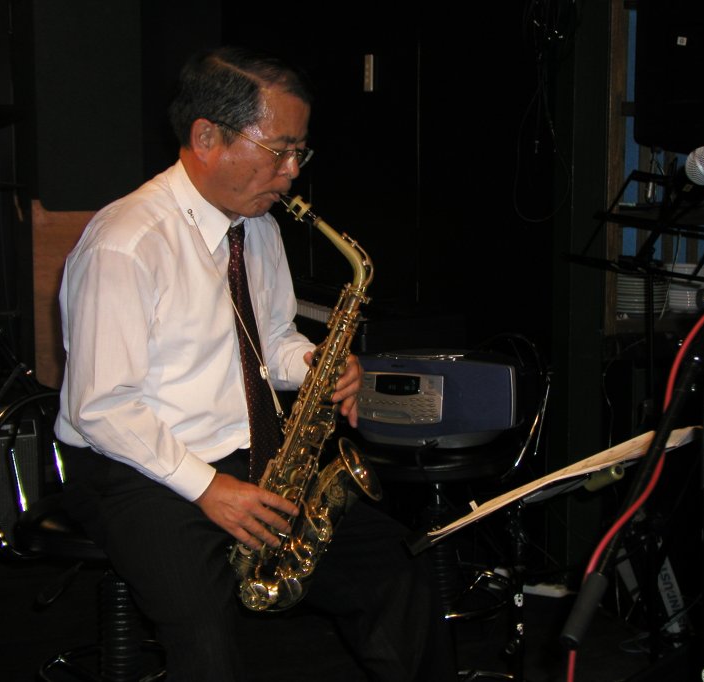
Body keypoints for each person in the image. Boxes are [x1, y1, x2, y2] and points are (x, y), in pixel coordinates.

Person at [54, 45, 455, 681]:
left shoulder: (257, 225)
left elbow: (272, 337)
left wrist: (318, 363)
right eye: (280, 150)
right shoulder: (126, 243)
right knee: (205, 636)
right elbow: (101, 408)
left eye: (301, 152)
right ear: (206, 138)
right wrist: (208, 488)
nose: (292, 172)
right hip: (135, 466)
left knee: (395, 572)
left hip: (249, 455)